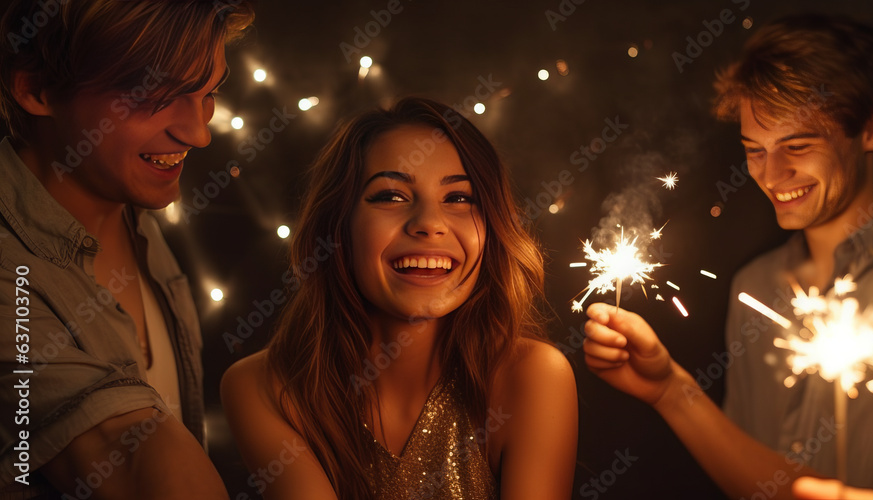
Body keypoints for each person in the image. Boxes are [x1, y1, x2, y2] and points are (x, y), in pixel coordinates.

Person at [583, 14, 873, 500]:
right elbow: (754, 485)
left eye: (797, 145)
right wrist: (670, 390)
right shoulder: (755, 288)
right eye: (754, 150)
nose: (772, 175)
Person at [221, 97, 578, 499]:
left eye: (459, 198)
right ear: (338, 226)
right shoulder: (264, 387)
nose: (429, 224)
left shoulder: (532, 376)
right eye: (391, 196)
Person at [0, 0, 253, 498]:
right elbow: (126, 446)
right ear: (36, 88)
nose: (199, 132)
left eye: (210, 92)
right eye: (155, 95)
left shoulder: (135, 212)